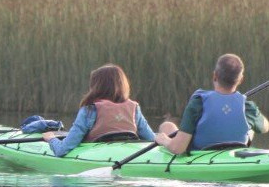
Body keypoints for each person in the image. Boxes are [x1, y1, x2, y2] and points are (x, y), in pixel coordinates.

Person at [42, 64, 176, 157]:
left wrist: (51, 139)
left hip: (99, 155)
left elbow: (62, 150)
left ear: (96, 87)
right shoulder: (134, 107)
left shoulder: (90, 109)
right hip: (129, 153)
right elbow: (152, 140)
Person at [155, 53, 269, 155]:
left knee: (166, 127)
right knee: (251, 127)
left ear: (214, 76)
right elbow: (265, 127)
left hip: (199, 154)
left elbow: (178, 149)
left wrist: (163, 140)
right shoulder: (248, 107)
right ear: (241, 80)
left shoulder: (198, 103)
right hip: (235, 152)